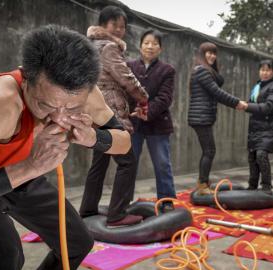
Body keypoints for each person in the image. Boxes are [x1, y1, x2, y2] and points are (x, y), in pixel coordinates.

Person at [0, 24, 130, 269]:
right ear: (25, 78)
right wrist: (30, 167)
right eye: (45, 105)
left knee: (78, 243)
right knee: (6, 254)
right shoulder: (2, 105)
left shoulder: (84, 93)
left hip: (23, 169)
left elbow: (124, 142)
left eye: (72, 109)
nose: (59, 118)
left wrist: (92, 138)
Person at [79, 5, 149, 227]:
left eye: (122, 26)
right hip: (110, 113)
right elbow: (126, 78)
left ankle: (88, 210)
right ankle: (117, 215)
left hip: (93, 112)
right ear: (102, 25)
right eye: (114, 25)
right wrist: (143, 97)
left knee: (99, 162)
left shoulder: (87, 47)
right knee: (127, 161)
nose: (119, 30)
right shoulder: (109, 47)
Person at [187, 42, 247, 195]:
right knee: (209, 151)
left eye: (214, 53)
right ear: (202, 54)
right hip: (201, 117)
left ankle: (204, 182)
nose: (212, 56)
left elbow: (216, 87)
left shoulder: (206, 71)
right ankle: (202, 184)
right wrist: (237, 103)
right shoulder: (201, 71)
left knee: (208, 150)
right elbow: (217, 93)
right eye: (208, 53)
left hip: (202, 116)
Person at [127, 29, 177, 212]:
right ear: (140, 46)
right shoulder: (129, 66)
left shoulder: (167, 70)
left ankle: (166, 201)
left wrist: (147, 112)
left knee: (162, 164)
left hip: (158, 124)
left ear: (160, 48)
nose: (150, 46)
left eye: (155, 43)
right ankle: (123, 200)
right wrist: (132, 112)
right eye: (146, 42)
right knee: (128, 163)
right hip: (133, 123)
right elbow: (125, 92)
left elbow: (165, 98)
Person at [241, 60, 273, 193]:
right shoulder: (258, 86)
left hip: (269, 128)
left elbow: (268, 107)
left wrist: (247, 106)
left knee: (261, 155)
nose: (264, 73)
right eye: (262, 70)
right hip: (255, 128)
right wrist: (244, 104)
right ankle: (252, 186)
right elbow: (252, 103)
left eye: (267, 70)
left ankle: (266, 186)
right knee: (252, 157)